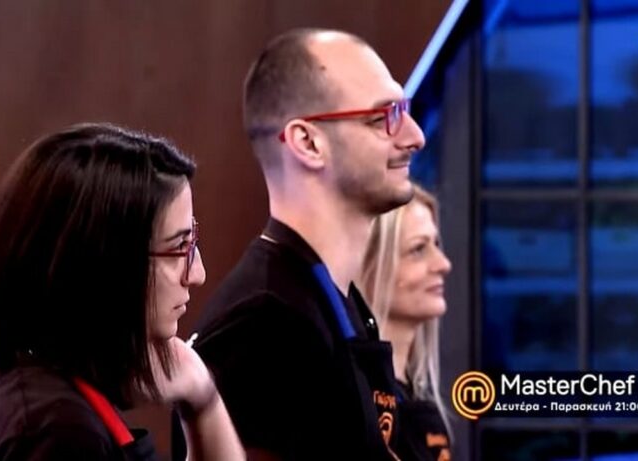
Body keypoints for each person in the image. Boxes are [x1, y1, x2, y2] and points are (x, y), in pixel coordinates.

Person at [184, 28, 426, 460]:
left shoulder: (334, 301)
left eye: (404, 110)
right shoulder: (264, 324)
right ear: (308, 142)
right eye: (384, 116)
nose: (414, 136)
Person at [0, 123, 244, 460]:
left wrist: (201, 392)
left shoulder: (52, 397)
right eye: (178, 248)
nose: (197, 274)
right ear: (105, 265)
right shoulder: (60, 433)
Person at [358, 184, 453, 461]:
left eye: (435, 245)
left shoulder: (418, 408)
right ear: (368, 266)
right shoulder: (357, 408)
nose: (443, 264)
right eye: (418, 249)